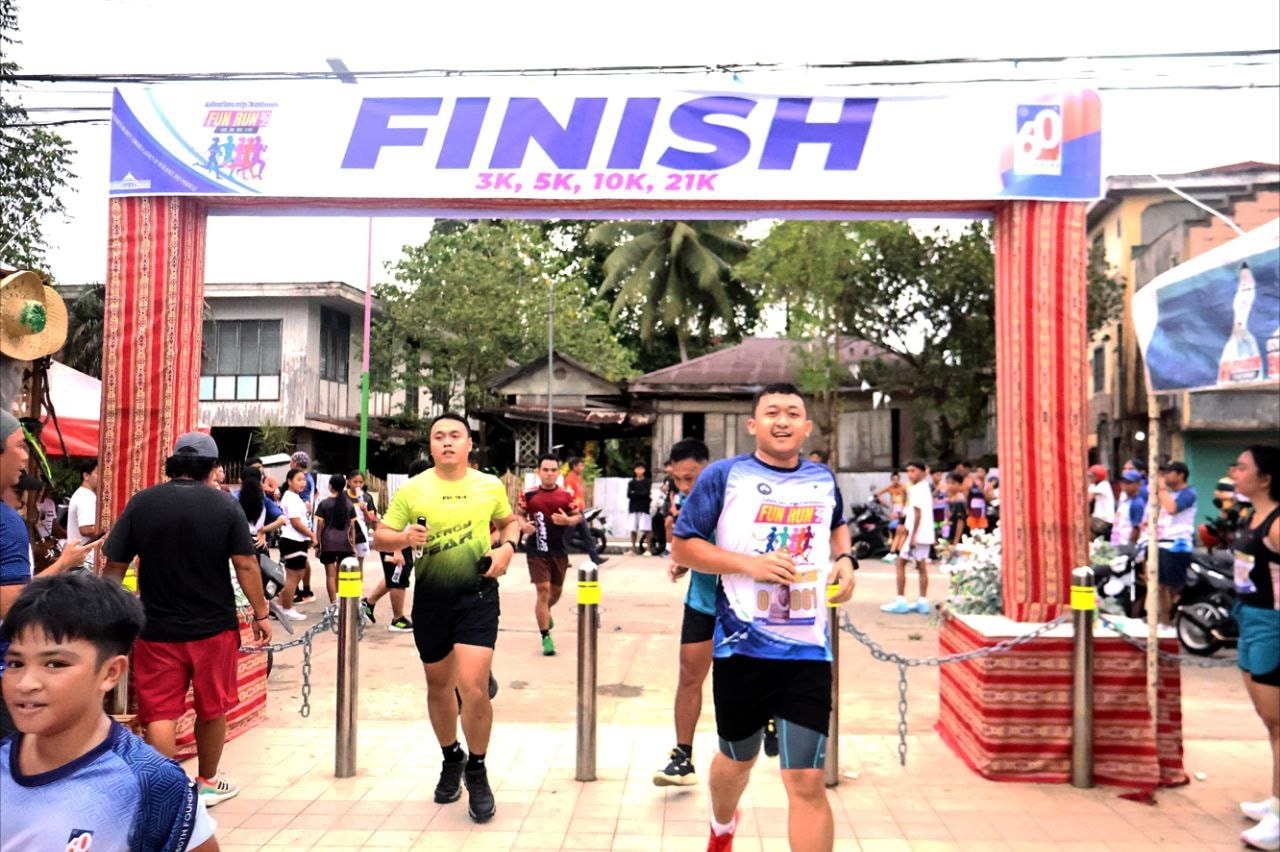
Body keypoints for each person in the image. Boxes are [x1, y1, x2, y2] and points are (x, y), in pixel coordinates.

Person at [671, 383, 856, 852]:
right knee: (738, 759)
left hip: (808, 651)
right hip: (741, 649)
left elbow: (837, 523)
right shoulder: (724, 476)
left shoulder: (821, 478)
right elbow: (683, 547)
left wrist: (845, 558)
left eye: (792, 413)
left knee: (806, 780)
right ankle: (722, 825)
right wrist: (748, 565)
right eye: (772, 412)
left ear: (806, 427)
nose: (782, 420)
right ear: (753, 424)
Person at [102, 431, 272, 808]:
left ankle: (165, 791)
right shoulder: (224, 506)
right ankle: (207, 782)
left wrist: (107, 614)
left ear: (173, 463)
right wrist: (262, 613)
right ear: (212, 467)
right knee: (212, 708)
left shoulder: (142, 503)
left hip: (156, 629)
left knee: (160, 713)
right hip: (214, 630)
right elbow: (246, 564)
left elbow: (114, 565)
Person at [0, 573, 220, 850]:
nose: (26, 683)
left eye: (55, 664)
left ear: (111, 672)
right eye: (16, 664)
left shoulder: (151, 783)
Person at [373, 413, 520, 824]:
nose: (447, 442)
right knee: (439, 687)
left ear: (470, 444)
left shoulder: (489, 485)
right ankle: (451, 757)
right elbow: (381, 536)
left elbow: (510, 523)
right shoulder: (413, 489)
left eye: (456, 435)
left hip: (477, 596)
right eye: (439, 436)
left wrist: (507, 549)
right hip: (432, 600)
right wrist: (403, 537)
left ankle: (478, 769)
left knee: (473, 687)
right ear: (431, 445)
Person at [0, 411, 96, 740]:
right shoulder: (7, 525)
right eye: (19, 446)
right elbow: (11, 605)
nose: (25, 457)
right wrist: (62, 565)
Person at [1228, 445, 1280, 852]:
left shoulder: (1278, 524)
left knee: (1279, 722)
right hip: (1248, 617)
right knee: (1269, 720)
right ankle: (1275, 800)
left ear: (1265, 478)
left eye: (1243, 467)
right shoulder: (1251, 515)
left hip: (1272, 625)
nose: (1235, 472)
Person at [654, 437, 712, 787]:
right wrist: (683, 563)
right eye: (678, 479)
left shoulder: (735, 499)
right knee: (689, 676)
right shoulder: (687, 502)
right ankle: (683, 757)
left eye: (690, 477)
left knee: (746, 680)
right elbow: (689, 547)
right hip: (702, 603)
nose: (685, 486)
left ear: (708, 468)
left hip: (741, 607)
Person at [517, 453, 580, 656]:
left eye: (553, 470)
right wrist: (523, 525)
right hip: (536, 549)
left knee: (555, 593)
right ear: (538, 472)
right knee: (543, 590)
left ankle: (545, 611)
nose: (549, 474)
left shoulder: (566, 495)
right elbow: (519, 515)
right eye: (545, 470)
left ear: (558, 473)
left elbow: (578, 516)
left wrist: (567, 521)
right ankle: (546, 637)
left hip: (558, 550)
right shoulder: (528, 495)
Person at [364, 459, 430, 633]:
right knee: (399, 580)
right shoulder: (407, 492)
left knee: (393, 577)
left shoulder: (419, 491)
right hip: (395, 542)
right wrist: (397, 551)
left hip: (405, 541)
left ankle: (368, 603)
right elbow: (393, 527)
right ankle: (397, 619)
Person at [881, 460, 935, 615]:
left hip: (915, 534)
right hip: (925, 533)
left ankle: (900, 600)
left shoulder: (916, 489)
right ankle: (922, 601)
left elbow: (917, 513)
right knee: (922, 566)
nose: (910, 474)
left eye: (913, 471)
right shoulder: (925, 487)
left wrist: (912, 536)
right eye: (908, 471)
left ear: (923, 472)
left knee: (900, 563)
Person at [1152, 460, 1197, 626]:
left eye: (1169, 473)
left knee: (1175, 587)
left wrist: (1161, 488)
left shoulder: (1188, 493)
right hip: (1162, 543)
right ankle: (1164, 621)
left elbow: (1172, 509)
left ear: (1181, 475)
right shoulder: (1168, 493)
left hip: (1177, 545)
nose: (1165, 476)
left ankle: (1176, 620)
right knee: (1161, 586)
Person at [276, 468, 318, 619]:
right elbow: (295, 522)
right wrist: (311, 535)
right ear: (289, 481)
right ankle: (286, 609)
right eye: (299, 479)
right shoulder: (292, 498)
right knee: (294, 576)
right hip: (293, 540)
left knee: (295, 574)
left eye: (304, 480)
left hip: (296, 540)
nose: (303, 483)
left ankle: (281, 605)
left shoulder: (293, 497)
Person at [314, 473, 357, 605]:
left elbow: (320, 527)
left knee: (330, 575)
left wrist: (317, 544)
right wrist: (353, 546)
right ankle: (343, 603)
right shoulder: (349, 504)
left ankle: (334, 604)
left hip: (328, 543)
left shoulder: (324, 504)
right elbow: (352, 528)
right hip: (345, 543)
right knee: (342, 573)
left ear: (330, 486)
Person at [563, 457, 607, 566]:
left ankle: (595, 559)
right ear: (574, 467)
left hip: (580, 512)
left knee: (587, 536)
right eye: (581, 465)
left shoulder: (578, 479)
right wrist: (573, 510)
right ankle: (560, 560)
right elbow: (568, 496)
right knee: (566, 538)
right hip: (573, 513)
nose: (582, 468)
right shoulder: (570, 480)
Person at [238, 466, 285, 556]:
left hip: (240, 544)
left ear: (241, 481)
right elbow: (282, 519)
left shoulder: (235, 498)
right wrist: (262, 531)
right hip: (259, 543)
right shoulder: (264, 501)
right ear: (260, 482)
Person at [64, 456, 100, 570]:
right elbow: (86, 529)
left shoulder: (84, 495)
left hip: (83, 562)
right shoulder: (86, 497)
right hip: (85, 563)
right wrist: (109, 529)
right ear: (86, 476)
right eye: (98, 473)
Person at [291, 451, 318, 600]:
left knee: (298, 559)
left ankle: (300, 590)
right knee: (302, 557)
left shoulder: (302, 479)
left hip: (301, 523)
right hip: (306, 521)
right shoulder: (309, 478)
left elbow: (304, 501)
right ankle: (304, 589)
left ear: (295, 463)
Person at [875, 472, 908, 562]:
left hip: (902, 509)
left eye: (897, 479)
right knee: (894, 529)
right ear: (891, 480)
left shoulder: (903, 487)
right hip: (894, 510)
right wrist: (882, 502)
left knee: (901, 531)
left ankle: (897, 551)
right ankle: (893, 550)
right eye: (894, 479)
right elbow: (878, 493)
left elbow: (908, 497)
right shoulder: (890, 487)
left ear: (899, 479)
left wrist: (904, 507)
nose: (895, 481)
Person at [1110, 471, 1147, 547]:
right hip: (1117, 543)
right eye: (1123, 482)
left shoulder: (1136, 503)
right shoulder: (1124, 500)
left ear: (1138, 484)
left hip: (1125, 545)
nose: (1124, 485)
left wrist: (1130, 547)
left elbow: (1136, 528)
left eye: (1128, 483)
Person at [628, 462, 653, 555]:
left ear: (644, 470)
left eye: (641, 468)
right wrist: (639, 493)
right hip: (633, 507)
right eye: (637, 468)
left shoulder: (648, 482)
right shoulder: (631, 482)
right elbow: (629, 494)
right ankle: (633, 548)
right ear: (634, 470)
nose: (639, 470)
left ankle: (648, 549)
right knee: (633, 529)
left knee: (647, 529)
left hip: (644, 507)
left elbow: (646, 493)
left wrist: (635, 493)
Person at [1088, 464, 1115, 540]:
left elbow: (1088, 498)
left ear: (1098, 476)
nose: (1089, 477)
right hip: (1097, 518)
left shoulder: (1104, 485)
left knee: (1082, 524)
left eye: (1091, 476)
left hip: (1105, 520)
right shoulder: (1093, 485)